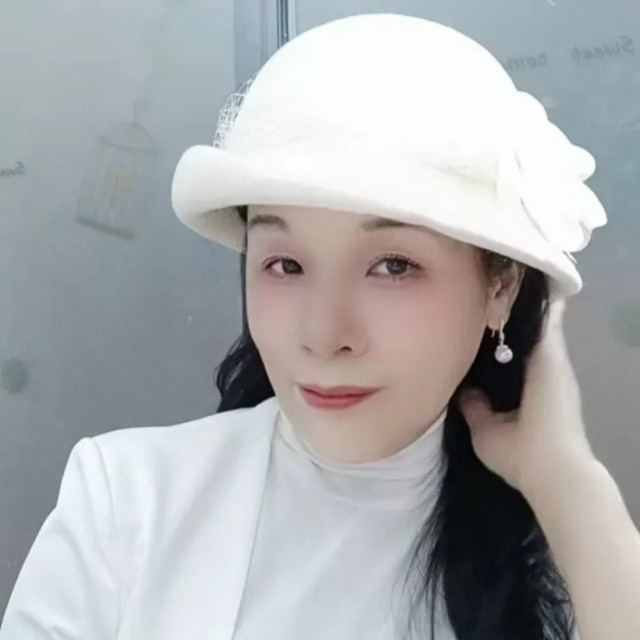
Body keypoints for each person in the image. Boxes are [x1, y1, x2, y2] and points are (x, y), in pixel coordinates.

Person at [2, 12, 639, 640]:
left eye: (393, 266)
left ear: (499, 286)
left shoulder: (572, 560)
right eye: (285, 264)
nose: (324, 335)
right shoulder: (127, 504)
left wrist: (567, 482)